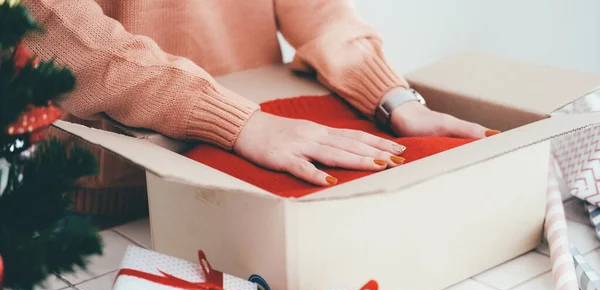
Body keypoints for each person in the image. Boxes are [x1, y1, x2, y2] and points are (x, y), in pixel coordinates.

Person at [23, 0, 497, 186]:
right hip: (107, 184)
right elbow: (52, 24)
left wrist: (391, 96)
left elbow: (317, 8)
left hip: (257, 164)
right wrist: (235, 120)